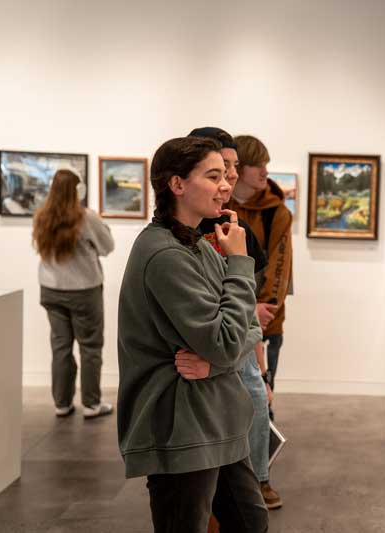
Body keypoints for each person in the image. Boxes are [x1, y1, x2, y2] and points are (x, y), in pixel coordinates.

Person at [117, 136, 267, 532]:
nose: (226, 185)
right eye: (213, 175)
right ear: (177, 184)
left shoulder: (198, 245)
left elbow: (249, 328)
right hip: (182, 428)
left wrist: (214, 366)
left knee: (251, 524)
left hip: (217, 418)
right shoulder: (165, 254)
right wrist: (238, 260)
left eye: (226, 175)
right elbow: (228, 341)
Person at [188, 126, 282, 510]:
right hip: (208, 342)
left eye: (231, 168)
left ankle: (255, 480)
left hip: (234, 336)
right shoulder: (175, 239)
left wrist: (257, 352)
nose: (227, 179)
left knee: (256, 401)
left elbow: (260, 275)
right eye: (218, 171)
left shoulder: (233, 223)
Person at [32, 168, 114, 418]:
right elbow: (107, 247)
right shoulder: (86, 217)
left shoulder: (41, 215)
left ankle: (62, 403)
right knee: (90, 346)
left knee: (60, 346)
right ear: (78, 189)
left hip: (50, 289)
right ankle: (91, 404)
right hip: (84, 290)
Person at [227, 135, 293, 396]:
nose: (266, 171)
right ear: (240, 168)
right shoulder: (219, 206)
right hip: (229, 317)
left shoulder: (276, 212)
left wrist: (264, 310)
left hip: (267, 319)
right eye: (259, 165)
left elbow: (280, 267)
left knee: (263, 396)